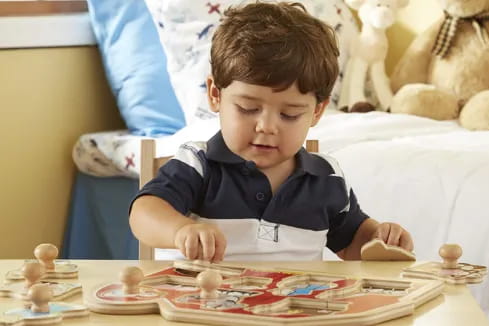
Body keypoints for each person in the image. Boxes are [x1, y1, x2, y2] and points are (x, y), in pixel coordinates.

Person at [129, 1, 413, 262]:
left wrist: (380, 237)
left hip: (293, 313)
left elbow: (354, 243)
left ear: (317, 112)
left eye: (289, 114)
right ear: (215, 95)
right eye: (248, 108)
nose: (266, 126)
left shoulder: (326, 178)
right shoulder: (199, 164)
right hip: (204, 310)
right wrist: (180, 230)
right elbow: (144, 213)